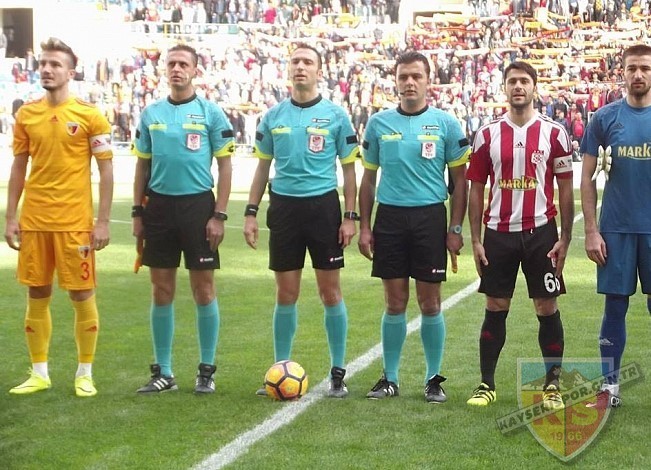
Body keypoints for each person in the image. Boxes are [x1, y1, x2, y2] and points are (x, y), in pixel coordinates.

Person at [243, 44, 359, 398]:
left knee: (330, 291)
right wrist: (250, 212)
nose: (300, 67)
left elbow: (349, 170)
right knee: (286, 293)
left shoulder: (336, 115)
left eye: (308, 62)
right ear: (288, 68)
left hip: (323, 208)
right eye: (295, 61)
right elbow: (262, 168)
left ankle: (338, 372)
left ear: (319, 71)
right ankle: (280, 368)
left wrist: (349, 216)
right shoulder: (273, 116)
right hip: (284, 209)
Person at [4, 37, 114, 397]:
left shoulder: (90, 115)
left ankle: (84, 373)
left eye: (55, 64)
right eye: (44, 64)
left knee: (82, 294)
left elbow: (106, 171)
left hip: (74, 222)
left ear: (71, 72)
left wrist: (102, 221)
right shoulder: (27, 114)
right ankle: (39, 373)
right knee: (37, 292)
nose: (48, 70)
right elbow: (18, 167)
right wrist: (11, 217)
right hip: (35, 220)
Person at [358, 51, 470, 403]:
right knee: (394, 302)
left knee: (430, 302)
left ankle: (433, 379)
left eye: (416, 76)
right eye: (403, 76)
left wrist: (455, 228)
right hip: (390, 218)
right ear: (395, 81)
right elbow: (368, 180)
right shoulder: (378, 123)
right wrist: (365, 226)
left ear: (428, 81)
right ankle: (389, 378)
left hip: (429, 219)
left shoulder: (446, 124)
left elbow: (461, 182)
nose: (409, 82)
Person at [465, 61, 574, 409]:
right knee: (495, 305)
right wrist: (476, 239)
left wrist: (565, 237)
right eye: (512, 81)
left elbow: (566, 187)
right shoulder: (486, 134)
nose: (518, 87)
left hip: (542, 232)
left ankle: (552, 385)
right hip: (498, 233)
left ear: (534, 88)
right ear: (504, 87)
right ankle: (486, 384)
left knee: (547, 305)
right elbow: (476, 189)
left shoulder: (555, 133)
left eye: (524, 81)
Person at [132, 44, 233, 394]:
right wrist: (137, 212)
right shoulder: (151, 114)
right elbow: (142, 165)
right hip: (159, 208)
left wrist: (219, 215)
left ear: (195, 71)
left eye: (183, 64)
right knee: (161, 289)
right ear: (165, 69)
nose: (176, 69)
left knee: (203, 289)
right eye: (171, 63)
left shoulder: (211, 113)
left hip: (198, 207)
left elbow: (225, 166)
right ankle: (164, 372)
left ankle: (206, 369)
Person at [580, 44, 651, 409]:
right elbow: (587, 178)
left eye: (645, 68)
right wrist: (592, 231)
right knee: (614, 307)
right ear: (621, 72)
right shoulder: (604, 118)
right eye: (632, 68)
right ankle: (610, 387)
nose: (638, 74)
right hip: (616, 229)